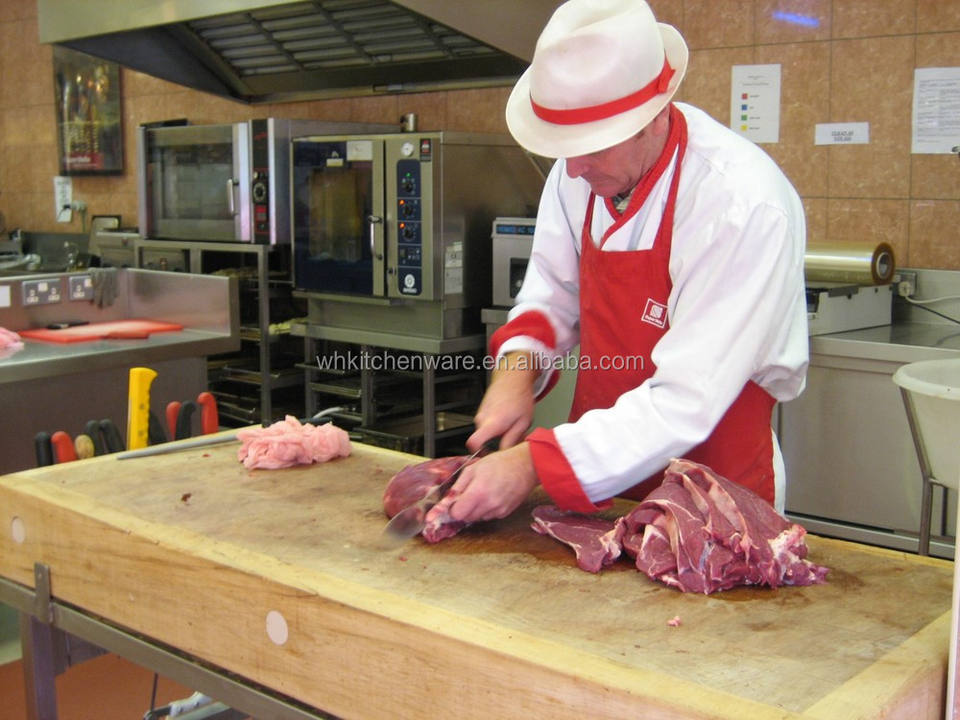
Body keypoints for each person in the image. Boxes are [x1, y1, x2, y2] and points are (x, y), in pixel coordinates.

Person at [428, 0, 808, 527]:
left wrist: (534, 463)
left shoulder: (739, 202)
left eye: (593, 148)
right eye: (564, 150)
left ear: (656, 116)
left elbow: (689, 396)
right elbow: (552, 294)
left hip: (715, 491)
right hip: (601, 480)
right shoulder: (579, 172)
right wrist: (516, 373)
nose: (574, 169)